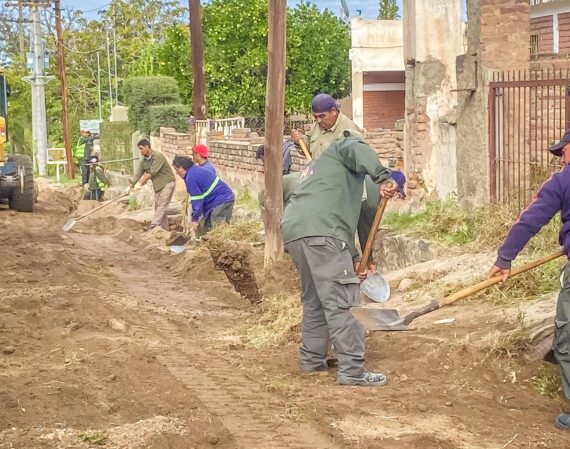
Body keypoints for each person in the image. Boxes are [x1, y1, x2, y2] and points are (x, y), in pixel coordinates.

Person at [281, 133, 398, 386]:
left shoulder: (323, 171)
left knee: (315, 300)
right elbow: (354, 147)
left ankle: (312, 360)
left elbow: (340, 221)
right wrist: (383, 176)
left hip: (296, 231)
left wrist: (355, 258)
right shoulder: (345, 146)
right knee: (343, 303)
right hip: (322, 233)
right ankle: (352, 370)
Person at [487, 129, 570, 431]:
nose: (561, 159)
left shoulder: (562, 180)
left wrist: (504, 258)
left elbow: (530, 219)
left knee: (567, 340)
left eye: (563, 152)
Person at [172, 155, 235, 233]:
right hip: (216, 201)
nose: (176, 173)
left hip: (222, 200)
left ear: (181, 168)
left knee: (218, 228)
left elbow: (197, 200)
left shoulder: (191, 178)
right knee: (207, 228)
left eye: (176, 170)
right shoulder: (194, 170)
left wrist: (195, 219)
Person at [291, 93, 362, 160]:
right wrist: (299, 141)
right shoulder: (317, 125)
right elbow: (309, 148)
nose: (318, 120)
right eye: (315, 116)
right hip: (316, 168)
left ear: (333, 111)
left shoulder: (349, 130)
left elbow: (359, 160)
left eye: (322, 116)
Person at [129, 138, 176, 231]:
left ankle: (153, 226)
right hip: (158, 186)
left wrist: (139, 183)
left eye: (141, 148)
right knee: (158, 208)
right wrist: (129, 186)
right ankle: (164, 230)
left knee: (162, 205)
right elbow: (137, 174)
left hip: (167, 183)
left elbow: (152, 172)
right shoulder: (143, 161)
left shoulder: (158, 156)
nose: (140, 151)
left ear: (147, 147)